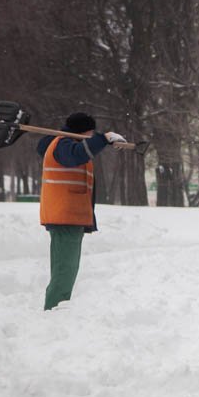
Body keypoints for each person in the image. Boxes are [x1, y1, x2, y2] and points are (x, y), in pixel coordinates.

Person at [37, 112, 128, 310]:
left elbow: (82, 151)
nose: (91, 135)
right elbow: (77, 154)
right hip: (64, 217)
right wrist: (103, 139)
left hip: (69, 217)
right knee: (65, 269)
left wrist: (102, 141)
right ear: (82, 131)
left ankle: (57, 307)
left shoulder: (65, 144)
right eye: (90, 132)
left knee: (67, 268)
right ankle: (53, 310)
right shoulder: (62, 145)